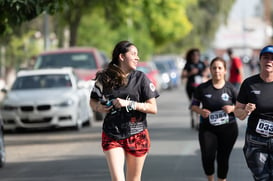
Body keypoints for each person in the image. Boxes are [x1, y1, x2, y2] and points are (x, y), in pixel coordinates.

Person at [89, 40, 159, 181]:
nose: (137, 58)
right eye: (133, 54)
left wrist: (129, 103)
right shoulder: (104, 78)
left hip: (137, 134)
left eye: (137, 55)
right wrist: (99, 107)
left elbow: (153, 108)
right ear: (122, 57)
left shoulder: (141, 78)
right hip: (112, 133)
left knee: (133, 179)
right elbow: (93, 100)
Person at [191, 57, 238, 181]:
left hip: (228, 129)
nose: (217, 70)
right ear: (210, 70)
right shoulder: (202, 88)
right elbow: (193, 106)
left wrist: (232, 108)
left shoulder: (231, 88)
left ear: (225, 71)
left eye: (220, 68)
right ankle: (210, 179)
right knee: (207, 156)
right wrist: (201, 111)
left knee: (223, 158)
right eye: (214, 68)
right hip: (207, 128)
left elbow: (241, 107)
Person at [234, 45, 273, 181]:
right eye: (266, 57)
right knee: (262, 178)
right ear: (260, 60)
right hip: (256, 141)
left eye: (272, 58)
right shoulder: (250, 84)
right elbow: (237, 112)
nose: (269, 61)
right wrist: (245, 111)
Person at [181, 48, 209, 129]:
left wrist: (205, 73)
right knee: (193, 103)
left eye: (197, 55)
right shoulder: (188, 64)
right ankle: (193, 118)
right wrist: (190, 73)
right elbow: (183, 75)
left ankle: (198, 121)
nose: (195, 57)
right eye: (193, 55)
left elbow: (207, 71)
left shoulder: (202, 64)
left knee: (200, 104)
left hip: (200, 87)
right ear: (191, 56)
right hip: (191, 87)